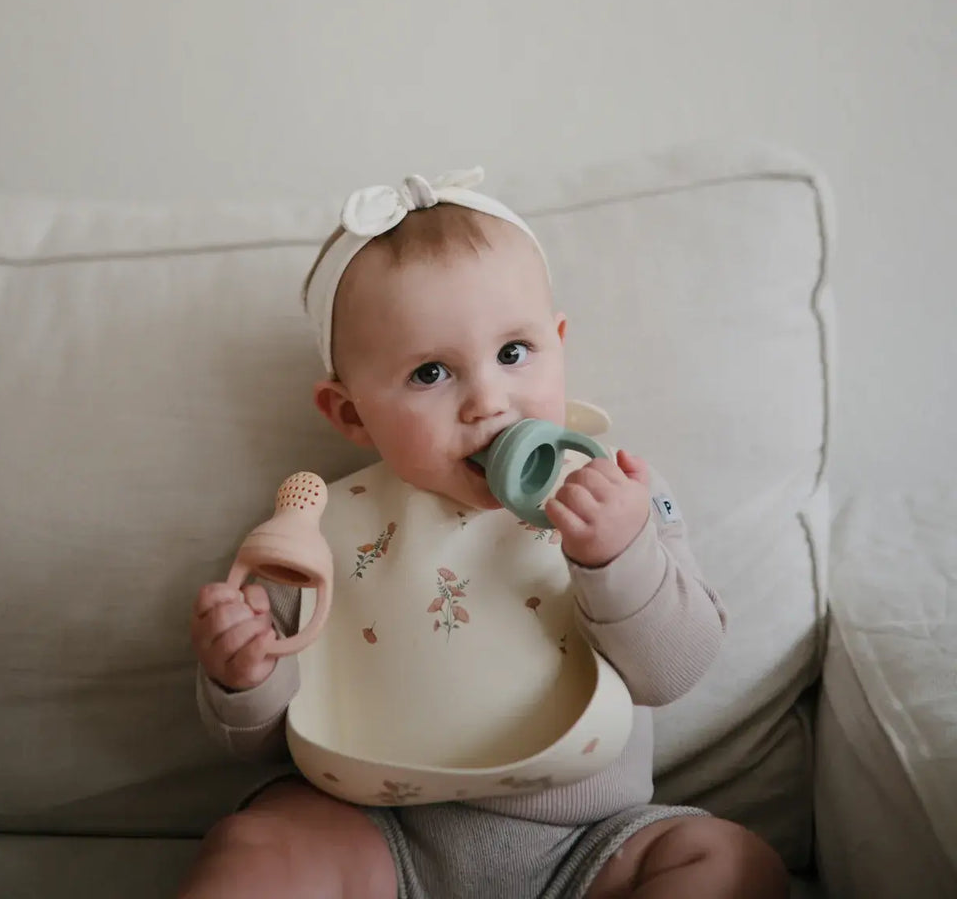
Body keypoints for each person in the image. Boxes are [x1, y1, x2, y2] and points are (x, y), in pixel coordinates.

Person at [181, 170, 788, 898]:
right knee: (257, 845)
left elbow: (675, 670)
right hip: (374, 837)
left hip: (586, 847)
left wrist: (618, 557)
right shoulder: (316, 528)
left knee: (729, 863)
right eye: (431, 372)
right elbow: (255, 743)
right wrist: (242, 674)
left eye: (513, 353)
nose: (487, 403)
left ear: (558, 345)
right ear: (350, 416)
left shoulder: (617, 496)